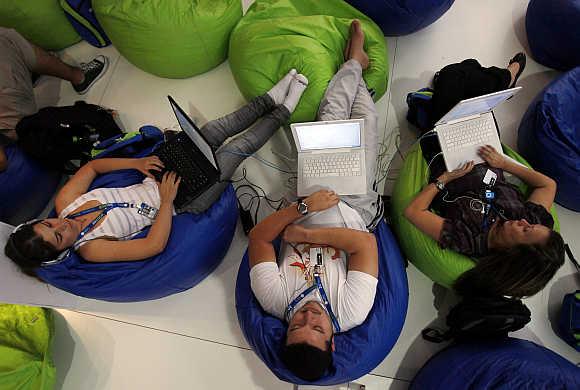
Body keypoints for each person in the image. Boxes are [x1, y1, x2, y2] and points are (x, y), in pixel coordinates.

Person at [4, 70, 309, 275]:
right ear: (61, 251)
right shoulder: (92, 249)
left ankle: (270, 98)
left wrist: (136, 164)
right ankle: (286, 108)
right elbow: (153, 245)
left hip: (156, 175)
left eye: (49, 222)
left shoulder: (66, 202)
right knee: (234, 151)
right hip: (180, 202)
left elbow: (94, 166)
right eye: (59, 235)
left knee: (212, 130)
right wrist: (166, 201)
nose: (62, 225)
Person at [248, 20, 383, 381]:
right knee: (366, 123)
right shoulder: (351, 311)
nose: (309, 315)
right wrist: (305, 237)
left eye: (297, 326)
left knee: (333, 118)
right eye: (318, 328)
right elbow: (364, 245)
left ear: (285, 333)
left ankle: (353, 62)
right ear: (333, 341)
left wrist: (305, 210)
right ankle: (356, 65)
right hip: (354, 207)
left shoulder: (273, 299)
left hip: (310, 200)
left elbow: (259, 238)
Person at [404, 137, 565, 298]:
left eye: (525, 230)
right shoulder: (531, 219)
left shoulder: (468, 238)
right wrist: (504, 163)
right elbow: (548, 185)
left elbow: (414, 211)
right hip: (484, 153)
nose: (524, 222)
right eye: (530, 225)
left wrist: (446, 178)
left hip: (445, 158)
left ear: (513, 252)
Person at [0, 27, 109, 171]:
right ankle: (78, 76)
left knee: (6, 37)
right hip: (13, 131)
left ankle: (72, 75)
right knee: (6, 41)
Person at [429, 53, 526, 126]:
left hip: (439, 130)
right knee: (468, 66)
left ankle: (506, 79)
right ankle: (507, 80)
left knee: (461, 70)